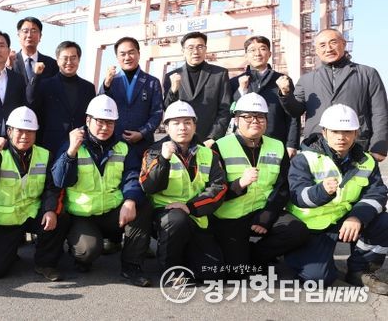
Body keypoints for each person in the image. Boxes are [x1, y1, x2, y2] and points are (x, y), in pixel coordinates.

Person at [285, 104, 388, 294]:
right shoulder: (304, 159)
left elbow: (377, 193)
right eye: (335, 131)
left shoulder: (367, 160)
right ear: (324, 132)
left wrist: (357, 217)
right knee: (318, 279)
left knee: (384, 221)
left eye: (347, 131)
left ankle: (360, 271)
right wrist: (321, 191)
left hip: (345, 218)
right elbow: (298, 196)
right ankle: (297, 254)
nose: (341, 137)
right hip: (313, 226)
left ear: (356, 133)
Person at [52, 95, 153, 287]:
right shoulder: (73, 145)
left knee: (142, 205)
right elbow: (60, 180)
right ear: (88, 120)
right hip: (83, 215)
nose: (105, 127)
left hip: (112, 211)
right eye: (100, 122)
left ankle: (131, 267)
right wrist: (71, 152)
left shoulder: (122, 147)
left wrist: (130, 200)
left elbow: (132, 175)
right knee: (87, 251)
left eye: (110, 123)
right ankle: (80, 253)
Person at [210, 93, 308, 278]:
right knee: (237, 273)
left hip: (263, 210)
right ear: (236, 120)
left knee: (296, 230)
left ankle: (256, 256)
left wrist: (267, 215)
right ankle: (243, 257)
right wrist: (239, 184)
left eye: (260, 116)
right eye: (247, 116)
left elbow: (283, 186)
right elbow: (213, 191)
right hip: (230, 216)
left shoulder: (277, 146)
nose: (255, 121)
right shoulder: (219, 147)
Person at [0, 106, 69, 282]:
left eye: (30, 131)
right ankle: (6, 251)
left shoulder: (44, 155)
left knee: (60, 215)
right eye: (20, 131)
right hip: (3, 219)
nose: (25, 136)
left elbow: (53, 187)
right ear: (9, 131)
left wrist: (50, 210)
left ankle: (45, 263)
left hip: (31, 213)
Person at [139, 101, 227, 282]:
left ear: (195, 125)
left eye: (187, 122)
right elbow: (149, 186)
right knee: (176, 219)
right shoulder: (153, 152)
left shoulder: (208, 154)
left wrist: (190, 207)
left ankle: (186, 257)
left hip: (196, 215)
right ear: (166, 127)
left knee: (213, 273)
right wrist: (163, 160)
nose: (182, 128)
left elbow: (219, 188)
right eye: (176, 123)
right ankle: (170, 271)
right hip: (165, 216)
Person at [278, 28, 388, 162]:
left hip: (356, 146)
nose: (328, 49)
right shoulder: (306, 79)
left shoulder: (367, 74)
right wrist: (286, 94)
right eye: (322, 45)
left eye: (333, 42)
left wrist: (379, 146)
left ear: (344, 44)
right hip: (317, 147)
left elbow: (380, 112)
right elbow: (295, 111)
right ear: (316, 50)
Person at [230, 35, 299, 157]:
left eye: (262, 49)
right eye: (252, 50)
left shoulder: (283, 80)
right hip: (243, 143)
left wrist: (292, 144)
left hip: (277, 141)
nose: (257, 53)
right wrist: (241, 91)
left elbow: (293, 114)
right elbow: (230, 112)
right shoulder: (235, 82)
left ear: (270, 53)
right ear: (246, 55)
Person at [163, 31, 231, 147]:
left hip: (209, 140)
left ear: (205, 49)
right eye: (190, 48)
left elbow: (225, 108)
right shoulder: (172, 76)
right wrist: (173, 90)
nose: (195, 51)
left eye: (200, 47)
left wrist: (213, 137)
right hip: (180, 140)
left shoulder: (219, 74)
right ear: (183, 51)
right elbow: (168, 109)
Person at [27, 40, 95, 155]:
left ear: (79, 60)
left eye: (73, 58)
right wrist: (36, 75)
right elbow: (31, 101)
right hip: (52, 146)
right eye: (65, 58)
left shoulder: (88, 88)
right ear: (58, 61)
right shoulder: (45, 85)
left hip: (81, 146)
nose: (69, 62)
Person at [101, 36, 163, 162]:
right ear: (117, 57)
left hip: (143, 145)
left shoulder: (152, 82)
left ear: (138, 54)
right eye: (122, 54)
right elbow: (100, 108)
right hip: (115, 143)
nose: (127, 57)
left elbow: (157, 113)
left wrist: (142, 133)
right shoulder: (111, 82)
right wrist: (106, 85)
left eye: (131, 52)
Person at [10, 17, 58, 86]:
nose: (29, 35)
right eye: (25, 31)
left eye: (34, 31)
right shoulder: (10, 62)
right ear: (18, 35)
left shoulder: (52, 64)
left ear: (40, 36)